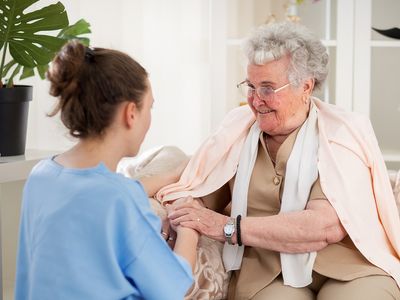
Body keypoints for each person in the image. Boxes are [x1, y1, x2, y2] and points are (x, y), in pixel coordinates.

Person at [159, 22, 400, 299]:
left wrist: (226, 227)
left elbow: (323, 227)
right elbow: (198, 183)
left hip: (350, 266)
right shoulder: (238, 129)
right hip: (267, 272)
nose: (255, 100)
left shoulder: (341, 134)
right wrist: (183, 211)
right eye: (250, 86)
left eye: (267, 88)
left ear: (306, 86)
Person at [15, 40, 199, 300]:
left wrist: (170, 175)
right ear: (131, 113)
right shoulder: (119, 199)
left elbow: (90, 196)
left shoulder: (42, 175)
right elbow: (172, 289)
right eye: (150, 107)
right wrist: (191, 228)